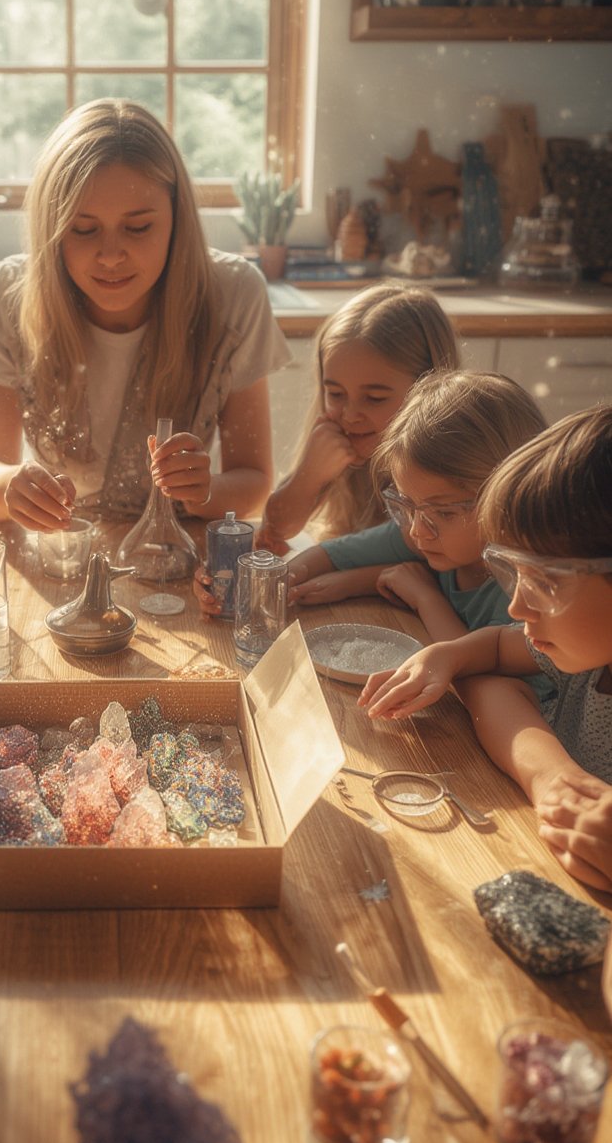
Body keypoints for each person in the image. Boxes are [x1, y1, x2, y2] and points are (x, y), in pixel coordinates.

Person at [0, 98, 288, 530]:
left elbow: (254, 483)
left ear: (177, 219)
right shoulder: (4, 297)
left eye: (138, 227)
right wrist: (9, 486)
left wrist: (203, 488)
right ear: (51, 228)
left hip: (175, 558)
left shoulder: (234, 295)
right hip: (63, 548)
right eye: (83, 229)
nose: (111, 256)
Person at [359, 406, 612, 891]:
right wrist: (449, 656)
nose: (516, 606)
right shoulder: (585, 654)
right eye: (514, 574)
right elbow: (494, 659)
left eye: (545, 582)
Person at [196, 281, 458, 615]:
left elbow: (423, 561)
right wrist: (308, 476)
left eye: (374, 398)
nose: (349, 415)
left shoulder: (446, 470)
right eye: (335, 394)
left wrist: (348, 580)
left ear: (431, 387)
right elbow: (277, 530)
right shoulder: (339, 442)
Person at [286, 370, 549, 644]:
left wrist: (427, 599)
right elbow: (331, 554)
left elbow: (470, 669)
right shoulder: (428, 529)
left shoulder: (524, 594)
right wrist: (285, 583)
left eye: (445, 513)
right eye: (406, 505)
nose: (417, 531)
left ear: (509, 500)